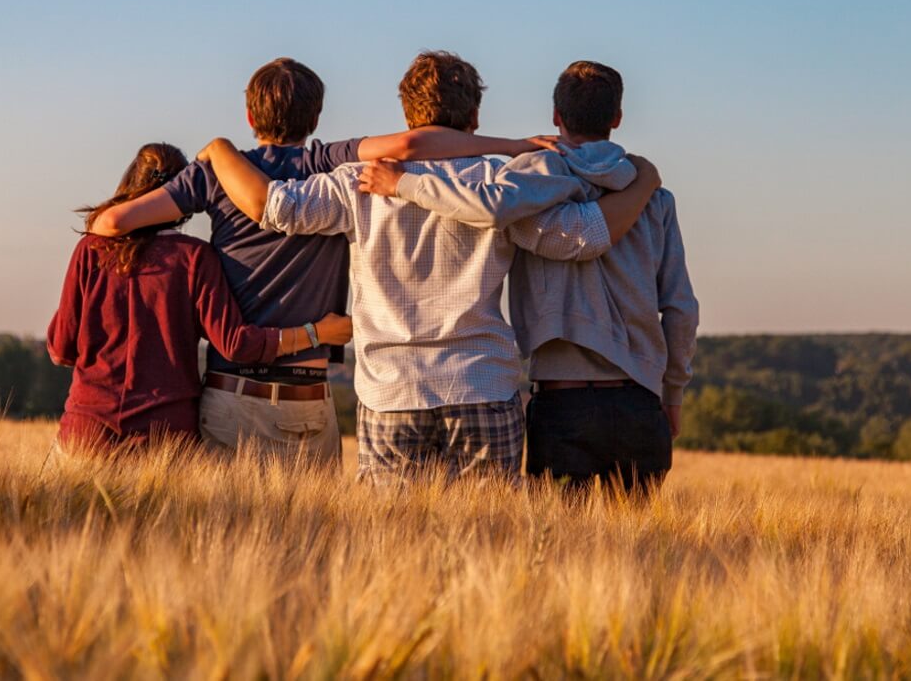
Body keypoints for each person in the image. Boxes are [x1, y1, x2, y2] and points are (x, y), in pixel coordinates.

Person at [198, 51, 661, 484]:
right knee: (489, 544)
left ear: (407, 116)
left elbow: (274, 208)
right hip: (482, 384)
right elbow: (581, 238)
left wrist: (220, 151)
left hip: (391, 391)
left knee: (393, 546)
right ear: (474, 118)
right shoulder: (502, 183)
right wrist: (643, 184)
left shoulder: (356, 182)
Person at [85, 57, 560, 464]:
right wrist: (512, 146)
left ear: (249, 114)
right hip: (310, 397)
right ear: (315, 118)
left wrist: (212, 157)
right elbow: (412, 146)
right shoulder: (327, 163)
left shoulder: (216, 174)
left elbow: (110, 225)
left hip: (233, 392)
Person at [358, 60, 698, 494]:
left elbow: (491, 208)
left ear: (556, 116)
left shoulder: (526, 184)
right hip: (640, 400)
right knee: (637, 554)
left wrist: (404, 184)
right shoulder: (654, 197)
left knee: (553, 551)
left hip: (562, 402)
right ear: (617, 118)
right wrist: (672, 394)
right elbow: (682, 309)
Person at [47, 142, 352, 452]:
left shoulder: (91, 250)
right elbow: (236, 344)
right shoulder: (194, 258)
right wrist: (317, 333)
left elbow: (61, 350)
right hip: (165, 437)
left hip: (86, 431)